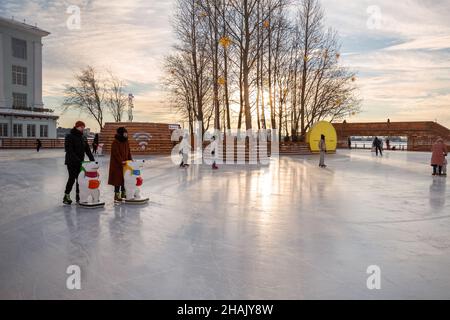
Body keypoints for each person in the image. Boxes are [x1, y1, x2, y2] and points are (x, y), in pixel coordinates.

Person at [63, 121, 95, 205]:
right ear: (76, 127)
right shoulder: (69, 136)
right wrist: (78, 160)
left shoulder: (83, 137)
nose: (82, 128)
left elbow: (87, 150)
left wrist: (92, 160)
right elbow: (69, 150)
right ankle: (66, 195)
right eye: (81, 127)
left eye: (83, 127)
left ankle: (78, 196)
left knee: (80, 180)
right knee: (72, 178)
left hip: (81, 163)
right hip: (71, 162)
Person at [108, 127, 133, 202]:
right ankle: (116, 195)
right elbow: (116, 153)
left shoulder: (126, 141)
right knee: (117, 180)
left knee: (125, 179)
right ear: (121, 133)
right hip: (117, 165)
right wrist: (121, 161)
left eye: (126, 133)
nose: (126, 134)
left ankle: (123, 193)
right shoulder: (115, 142)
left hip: (125, 164)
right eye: (124, 133)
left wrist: (130, 160)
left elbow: (129, 152)